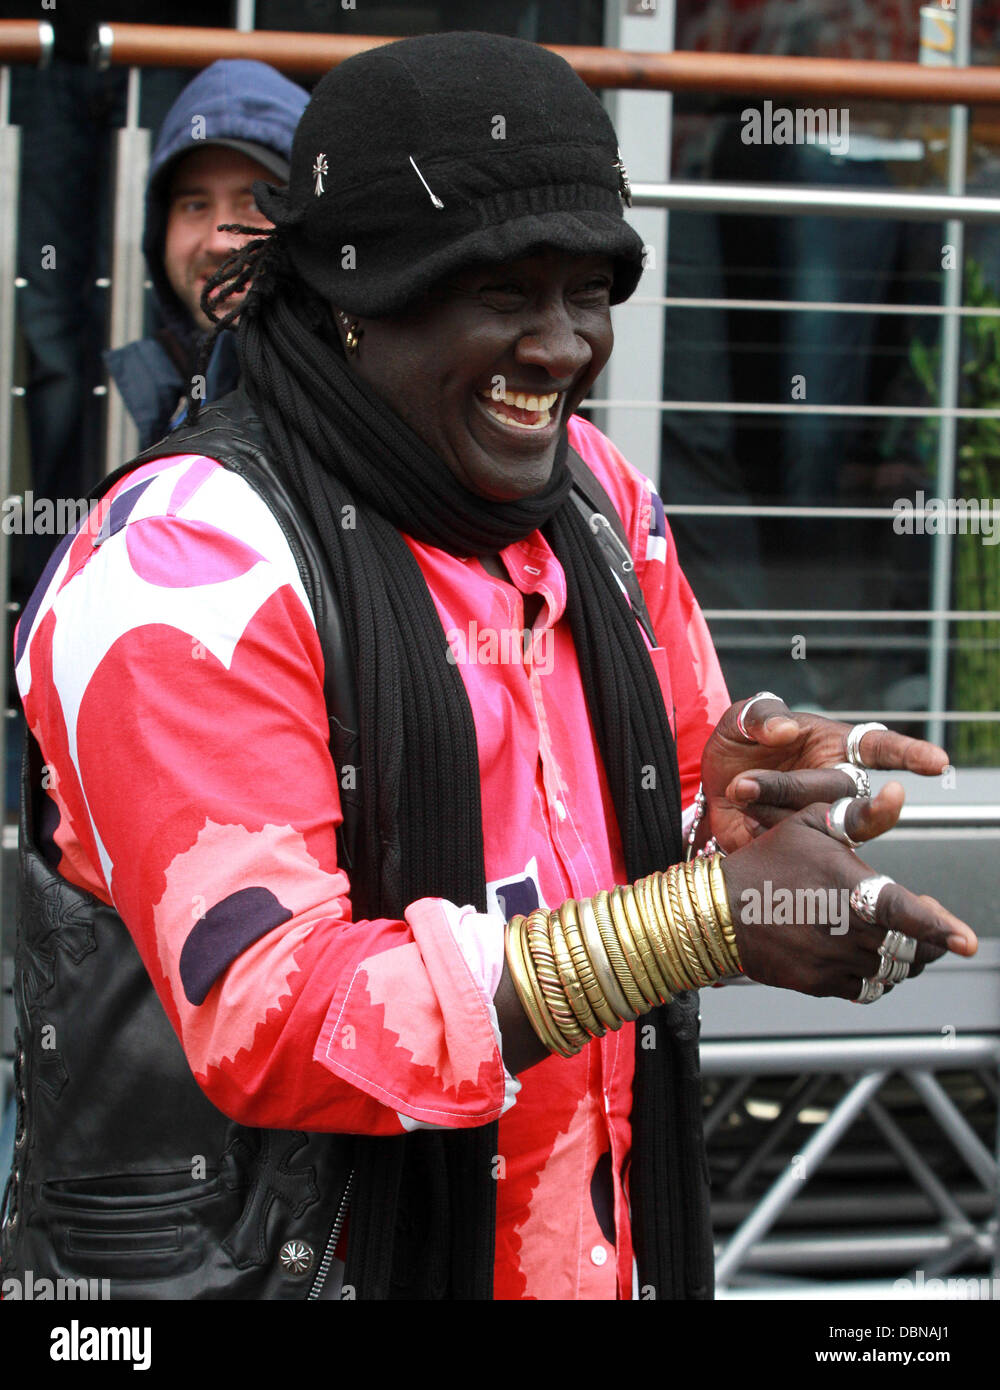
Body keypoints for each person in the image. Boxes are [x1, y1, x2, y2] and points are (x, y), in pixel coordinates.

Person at [2, 33, 976, 1301]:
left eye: (588, 291)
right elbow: (277, 1014)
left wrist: (715, 820)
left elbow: (644, 831)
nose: (563, 346)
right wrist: (694, 921)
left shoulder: (598, 503)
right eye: (502, 292)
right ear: (351, 298)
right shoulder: (184, 568)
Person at [104, 59, 310, 450]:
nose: (220, 242)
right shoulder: (171, 383)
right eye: (195, 205)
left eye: (254, 203)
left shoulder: (357, 404)